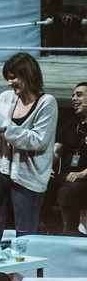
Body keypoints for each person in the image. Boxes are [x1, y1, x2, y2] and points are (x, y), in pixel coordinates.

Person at [0, 52, 58, 242]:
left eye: (14, 77)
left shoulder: (47, 103)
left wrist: (5, 126)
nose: (9, 82)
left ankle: (23, 264)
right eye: (8, 78)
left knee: (25, 236)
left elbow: (38, 141)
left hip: (28, 177)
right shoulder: (5, 98)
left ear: (28, 75)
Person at [54, 81, 87, 234]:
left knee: (69, 191)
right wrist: (43, 169)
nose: (74, 98)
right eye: (73, 95)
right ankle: (43, 229)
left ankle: (70, 233)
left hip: (83, 178)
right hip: (67, 176)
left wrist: (81, 174)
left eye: (79, 95)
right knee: (40, 184)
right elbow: (56, 151)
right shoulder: (70, 124)